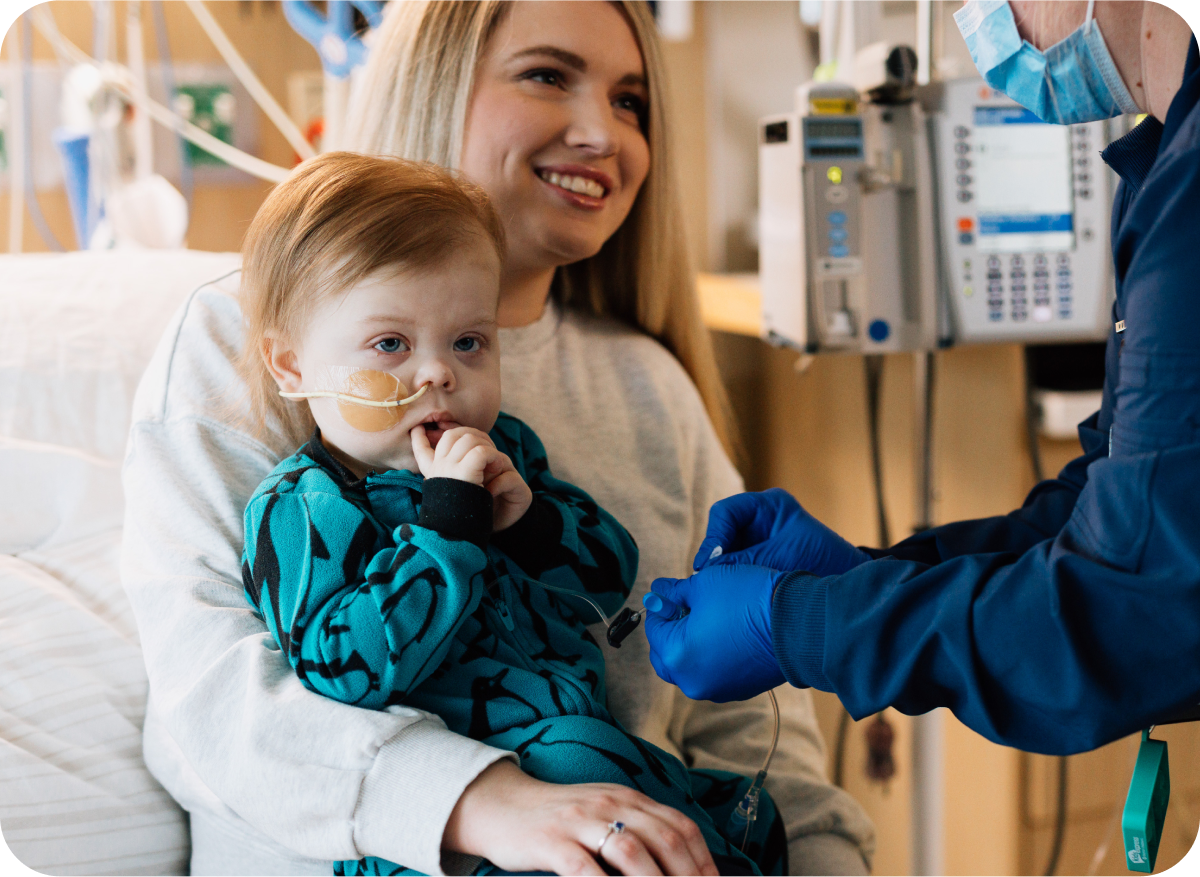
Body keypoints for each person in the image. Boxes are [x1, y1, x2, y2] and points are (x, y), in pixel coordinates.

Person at [120, 1, 873, 876]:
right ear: (433, 81)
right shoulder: (248, 336)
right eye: (548, 76)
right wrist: (481, 800)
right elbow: (208, 710)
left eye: (632, 102)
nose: (604, 133)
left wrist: (823, 856)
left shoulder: (647, 385)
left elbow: (741, 727)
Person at [643, 0, 1200, 756]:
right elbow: (1098, 514)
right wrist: (861, 578)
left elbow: (1117, 617)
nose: (982, 21)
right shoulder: (1163, 172)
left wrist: (800, 622)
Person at [237, 151, 784, 877]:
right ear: (293, 367)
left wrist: (527, 519)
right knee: (588, 761)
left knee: (752, 813)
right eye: (391, 344)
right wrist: (447, 528)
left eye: (469, 341)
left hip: (589, 745)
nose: (439, 372)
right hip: (457, 819)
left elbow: (605, 580)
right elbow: (344, 669)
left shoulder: (507, 451)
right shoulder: (303, 506)